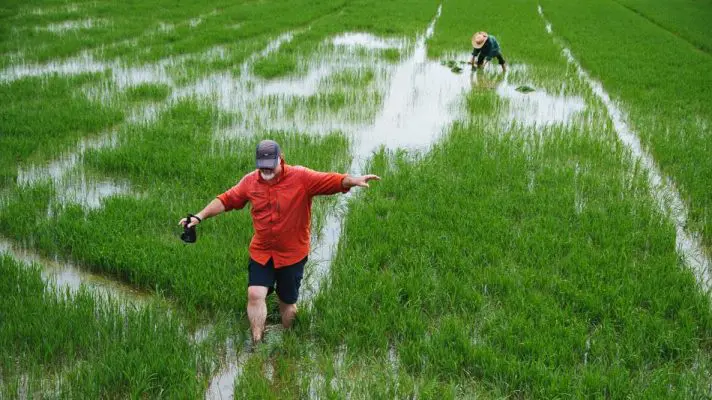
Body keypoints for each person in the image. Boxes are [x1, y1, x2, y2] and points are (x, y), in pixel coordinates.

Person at [178, 139, 380, 343]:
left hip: (292, 254)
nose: (265, 171)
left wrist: (353, 180)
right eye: (262, 167)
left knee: (287, 303)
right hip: (262, 251)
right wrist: (199, 216)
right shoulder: (250, 181)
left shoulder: (301, 177)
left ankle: (289, 340)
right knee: (255, 293)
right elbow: (227, 199)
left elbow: (332, 180)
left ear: (280, 159)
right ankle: (257, 339)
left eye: (270, 166)